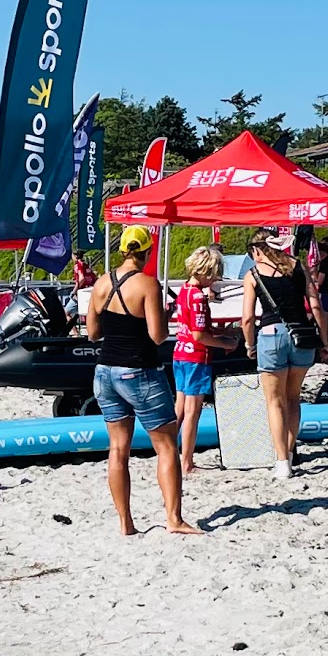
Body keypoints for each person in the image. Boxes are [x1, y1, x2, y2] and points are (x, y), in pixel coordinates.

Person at [84, 226, 199, 536]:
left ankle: (125, 523)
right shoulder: (148, 284)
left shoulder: (101, 283)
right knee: (165, 446)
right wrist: (165, 313)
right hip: (138, 370)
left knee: (118, 449)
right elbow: (158, 335)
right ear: (147, 253)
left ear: (121, 251)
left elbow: (93, 333)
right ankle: (173, 520)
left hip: (105, 371)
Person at [242, 228, 328, 478]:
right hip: (301, 335)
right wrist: (324, 342)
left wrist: (250, 346)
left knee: (274, 401)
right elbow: (316, 306)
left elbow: (247, 318)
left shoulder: (254, 274)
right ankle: (290, 453)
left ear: (258, 249)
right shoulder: (297, 266)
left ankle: (281, 462)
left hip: (270, 335)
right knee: (293, 398)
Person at [173, 246, 238, 476]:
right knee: (192, 411)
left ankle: (170, 456)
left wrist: (218, 334)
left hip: (180, 351)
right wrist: (226, 343)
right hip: (196, 356)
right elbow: (199, 334)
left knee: (179, 410)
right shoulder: (199, 297)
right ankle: (187, 462)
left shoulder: (183, 291)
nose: (215, 279)